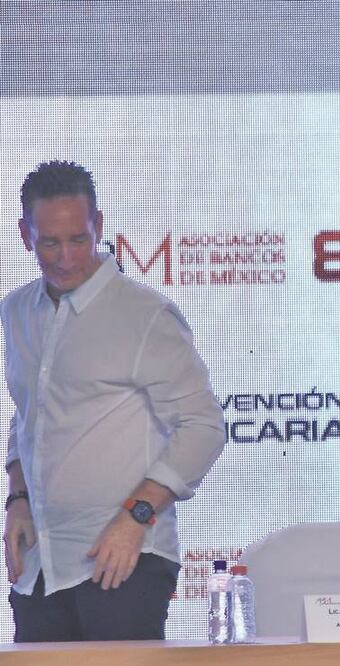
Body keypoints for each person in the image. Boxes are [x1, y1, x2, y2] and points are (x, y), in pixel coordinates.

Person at [2, 160, 225, 641]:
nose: (65, 258)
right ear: (25, 235)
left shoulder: (144, 313)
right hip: (41, 563)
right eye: (49, 242)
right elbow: (28, 419)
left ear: (98, 226)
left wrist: (136, 515)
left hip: (125, 558)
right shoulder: (16, 312)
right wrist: (17, 500)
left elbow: (203, 425)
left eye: (78, 239)